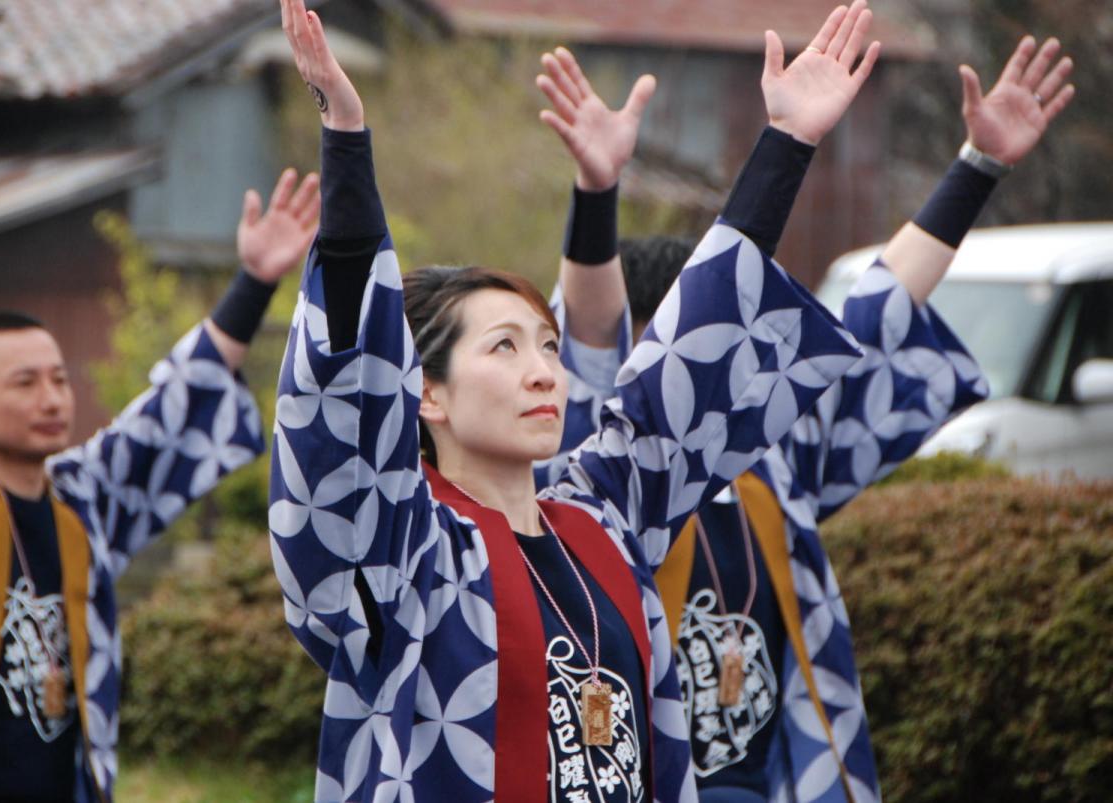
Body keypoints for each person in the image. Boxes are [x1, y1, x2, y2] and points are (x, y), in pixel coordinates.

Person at [268, 1, 881, 800]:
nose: (543, 371)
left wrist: (787, 145)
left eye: (549, 347)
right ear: (426, 394)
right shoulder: (402, 550)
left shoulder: (603, 515)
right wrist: (346, 140)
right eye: (504, 347)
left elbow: (692, 353)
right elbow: (344, 402)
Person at [536, 32, 1075, 803]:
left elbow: (880, 310)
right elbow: (591, 341)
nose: (711, 358)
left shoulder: (773, 458)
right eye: (682, 343)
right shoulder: (602, 466)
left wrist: (977, 166)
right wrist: (595, 195)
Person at [0, 155, 321, 801]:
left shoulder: (80, 498)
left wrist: (254, 282)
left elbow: (168, 414)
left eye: (57, 378)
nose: (52, 398)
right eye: (25, 383)